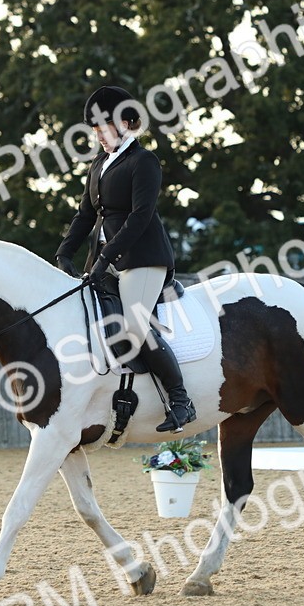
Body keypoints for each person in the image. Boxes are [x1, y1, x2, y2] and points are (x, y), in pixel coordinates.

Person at [55, 85, 195, 433]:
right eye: (95, 130)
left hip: (142, 258)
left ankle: (181, 400)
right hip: (103, 260)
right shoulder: (100, 164)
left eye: (103, 129)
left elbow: (141, 215)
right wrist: (64, 251)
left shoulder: (143, 162)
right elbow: (85, 214)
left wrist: (107, 255)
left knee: (134, 325)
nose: (98, 137)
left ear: (127, 124)